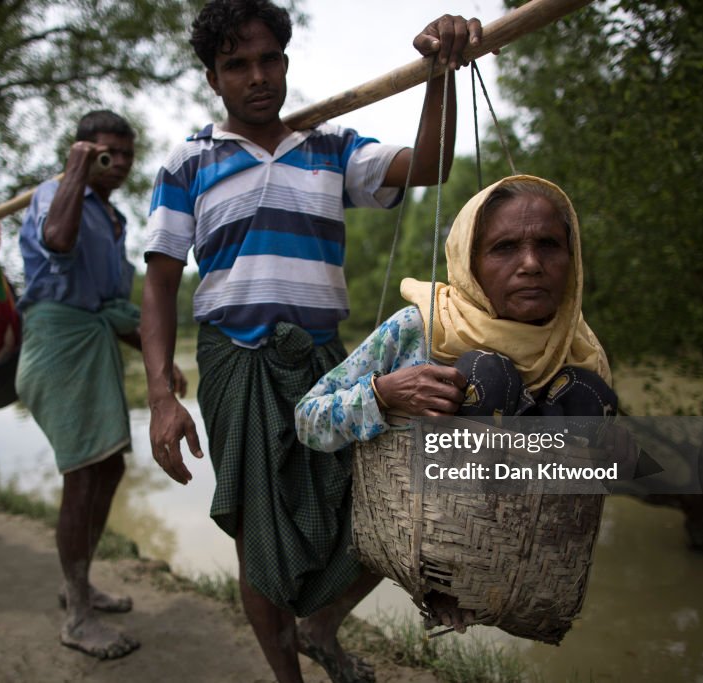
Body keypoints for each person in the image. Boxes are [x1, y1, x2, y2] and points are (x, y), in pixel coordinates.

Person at [141, 2, 482, 681]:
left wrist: (437, 73)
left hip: (327, 364)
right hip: (235, 362)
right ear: (213, 79)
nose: (257, 76)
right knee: (259, 538)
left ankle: (320, 623)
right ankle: (289, 675)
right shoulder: (188, 162)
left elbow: (432, 165)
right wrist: (160, 395)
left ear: (287, 64)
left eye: (269, 59)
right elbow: (157, 285)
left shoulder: (333, 148)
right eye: (237, 65)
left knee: (375, 509)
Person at [294, 174, 618, 632]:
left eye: (549, 245)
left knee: (591, 398)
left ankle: (508, 592)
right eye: (504, 248)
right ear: (470, 262)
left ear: (573, 258)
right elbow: (308, 419)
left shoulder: (579, 346)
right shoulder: (420, 327)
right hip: (425, 533)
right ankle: (447, 584)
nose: (531, 264)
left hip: (519, 562)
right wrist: (384, 394)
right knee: (487, 375)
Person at [14, 110, 186, 661]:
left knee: (108, 466)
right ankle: (77, 618)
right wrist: (74, 173)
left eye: (126, 155)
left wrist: (161, 365)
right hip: (57, 347)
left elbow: (113, 306)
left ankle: (79, 583)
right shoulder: (54, 194)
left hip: (93, 344)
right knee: (83, 474)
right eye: (105, 152)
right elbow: (58, 242)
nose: (119, 164)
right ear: (82, 150)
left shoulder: (114, 221)